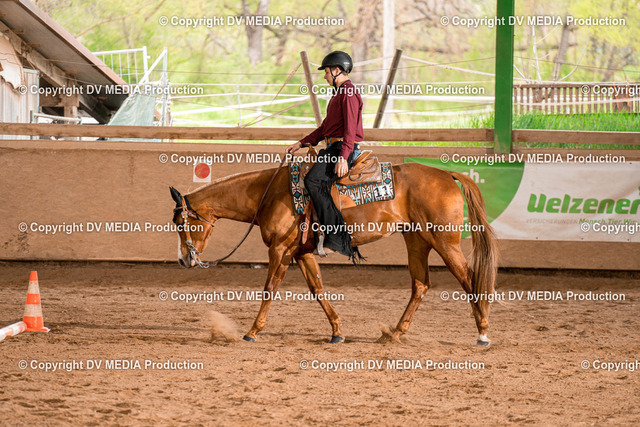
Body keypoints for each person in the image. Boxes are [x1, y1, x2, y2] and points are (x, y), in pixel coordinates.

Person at [286, 50, 365, 264]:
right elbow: (324, 129)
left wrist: (343, 157)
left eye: (327, 72)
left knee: (314, 181)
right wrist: (301, 143)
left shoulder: (348, 94)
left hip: (341, 148)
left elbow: (350, 129)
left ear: (337, 70)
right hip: (333, 147)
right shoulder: (339, 94)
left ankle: (336, 237)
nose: (325, 76)